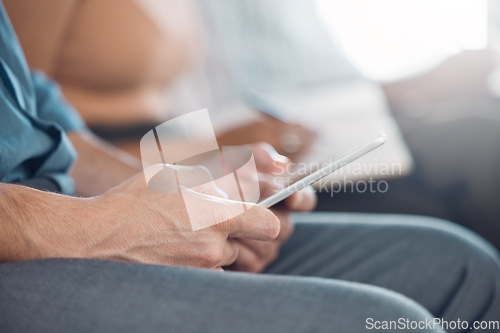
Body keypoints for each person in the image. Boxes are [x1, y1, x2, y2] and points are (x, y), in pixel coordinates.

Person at [0, 3, 499, 332]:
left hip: (114, 166)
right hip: (45, 223)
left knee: (464, 265)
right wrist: (102, 221)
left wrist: (180, 180)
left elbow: (45, 127)